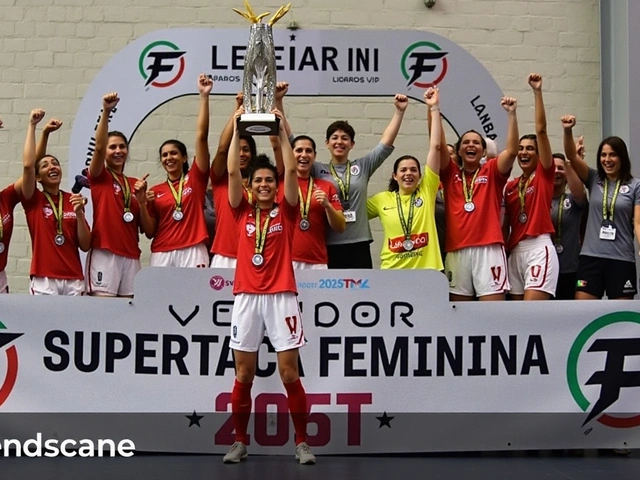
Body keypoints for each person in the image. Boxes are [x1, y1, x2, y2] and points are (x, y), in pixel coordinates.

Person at [223, 107, 315, 465]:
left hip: (281, 298)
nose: (264, 185)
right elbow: (232, 169)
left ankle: (303, 442)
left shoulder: (288, 210)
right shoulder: (240, 210)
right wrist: (236, 122)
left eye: (269, 181)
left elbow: (291, 168)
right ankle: (240, 441)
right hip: (247, 298)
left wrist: (282, 131)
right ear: (250, 186)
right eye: (258, 181)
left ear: (276, 186)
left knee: (288, 372)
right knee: (243, 372)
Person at [312, 94, 409, 269]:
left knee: (361, 294)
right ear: (326, 143)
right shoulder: (317, 169)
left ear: (352, 144)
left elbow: (385, 145)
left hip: (359, 243)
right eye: (334, 137)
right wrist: (279, 104)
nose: (339, 142)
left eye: (344, 138)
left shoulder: (362, 166)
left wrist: (399, 112)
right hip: (329, 243)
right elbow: (292, 146)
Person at [440, 96, 519, 301]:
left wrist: (512, 114)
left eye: (476, 142)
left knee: (492, 312)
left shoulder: (491, 170)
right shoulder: (450, 174)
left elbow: (512, 151)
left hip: (489, 249)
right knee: (459, 313)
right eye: (466, 142)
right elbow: (438, 147)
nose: (471, 145)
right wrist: (434, 110)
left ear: (483, 151)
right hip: (457, 250)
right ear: (458, 151)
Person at [209, 83, 289, 268]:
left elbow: (278, 149)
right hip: (225, 256)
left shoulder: (264, 183)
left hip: (258, 254)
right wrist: (236, 112)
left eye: (246, 150)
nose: (242, 154)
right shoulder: (222, 180)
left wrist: (275, 104)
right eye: (237, 149)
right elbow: (222, 149)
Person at [137, 74, 212, 268]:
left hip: (193, 250)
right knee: (159, 298)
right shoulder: (156, 190)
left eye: (174, 153)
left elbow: (202, 137)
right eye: (164, 155)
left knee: (195, 297)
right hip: (162, 251)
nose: (168, 158)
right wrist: (143, 203)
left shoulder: (195, 179)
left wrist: (204, 97)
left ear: (184, 157)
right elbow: (150, 231)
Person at [562, 115, 640, 299]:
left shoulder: (636, 185)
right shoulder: (593, 178)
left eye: (613, 154)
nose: (607, 159)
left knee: (620, 317)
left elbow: (638, 222)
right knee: (583, 312)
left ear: (622, 157)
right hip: (591, 257)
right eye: (603, 155)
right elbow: (571, 156)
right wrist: (567, 130)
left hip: (621, 258)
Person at [367, 87, 443, 269]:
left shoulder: (427, 190)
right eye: (403, 170)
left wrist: (434, 108)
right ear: (395, 176)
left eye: (413, 170)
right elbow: (353, 214)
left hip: (427, 271)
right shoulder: (381, 199)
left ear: (420, 176)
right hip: (393, 272)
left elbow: (436, 147)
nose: (408, 173)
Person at [21, 110, 91, 295]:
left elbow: (85, 245)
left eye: (55, 163)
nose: (52, 167)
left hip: (74, 278)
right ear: (37, 177)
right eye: (45, 166)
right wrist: (36, 128)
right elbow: (29, 166)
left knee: (75, 325)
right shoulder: (33, 199)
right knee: (44, 325)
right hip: (44, 279)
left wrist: (79, 214)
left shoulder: (72, 200)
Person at [503, 74, 559, 301]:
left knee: (531, 314)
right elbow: (505, 224)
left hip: (538, 247)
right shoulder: (511, 186)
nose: (524, 152)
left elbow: (542, 130)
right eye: (521, 148)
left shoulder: (544, 174)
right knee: (516, 319)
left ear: (539, 154)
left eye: (530, 149)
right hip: (515, 251)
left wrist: (537, 92)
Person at [86, 92, 141, 297]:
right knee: (103, 311)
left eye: (122, 146)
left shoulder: (135, 184)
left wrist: (143, 200)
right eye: (113, 147)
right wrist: (106, 111)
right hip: (105, 252)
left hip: (131, 255)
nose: (118, 151)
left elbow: (144, 226)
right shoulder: (100, 176)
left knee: (130, 311)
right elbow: (98, 148)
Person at [290, 135, 345, 269]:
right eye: (299, 150)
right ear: (290, 154)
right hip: (286, 259)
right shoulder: (281, 184)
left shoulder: (326, 186)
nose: (304, 155)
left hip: (317, 261)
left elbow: (341, 226)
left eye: (308, 151)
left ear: (314, 156)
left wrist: (327, 206)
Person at [550, 152, 587, 299]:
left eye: (561, 168)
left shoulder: (574, 200)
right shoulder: (538, 200)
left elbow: (579, 192)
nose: (556, 171)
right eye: (553, 167)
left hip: (571, 268)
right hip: (546, 269)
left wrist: (571, 163)